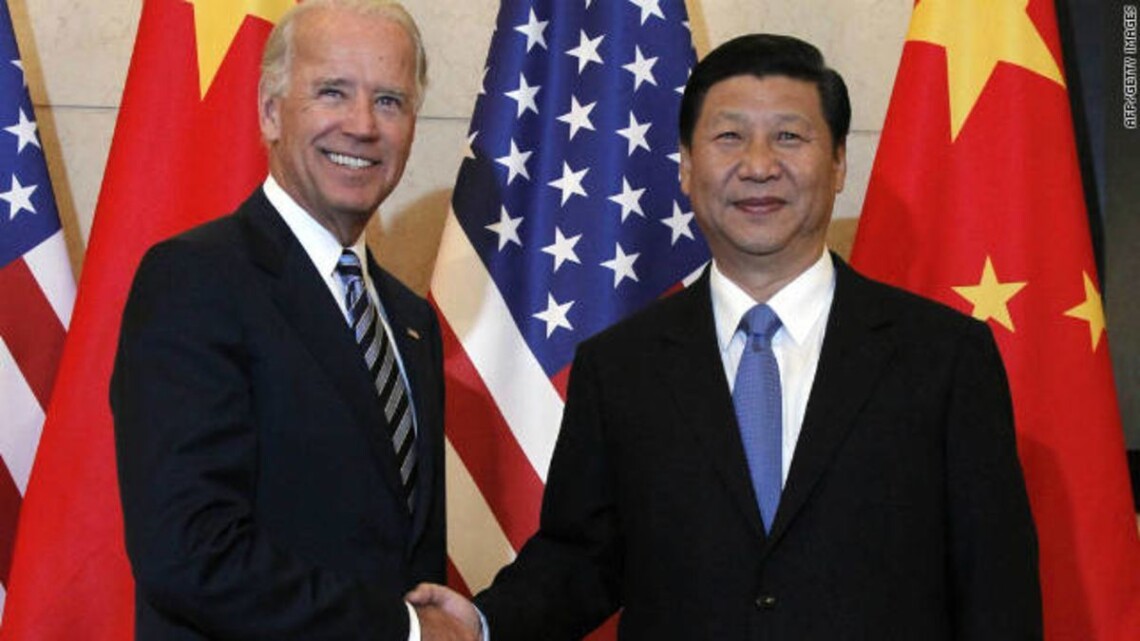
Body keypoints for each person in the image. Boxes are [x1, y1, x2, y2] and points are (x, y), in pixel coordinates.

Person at [409, 33, 1042, 639]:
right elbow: (582, 560)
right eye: (729, 136)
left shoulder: (944, 357)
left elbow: (996, 589)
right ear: (687, 167)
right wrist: (483, 624)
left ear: (839, 163)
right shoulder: (621, 366)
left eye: (789, 136)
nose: (759, 166)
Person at [111, 1, 472, 639]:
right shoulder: (195, 279)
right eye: (332, 92)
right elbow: (190, 551)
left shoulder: (410, 320)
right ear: (270, 111)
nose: (362, 125)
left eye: (389, 101)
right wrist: (405, 631)